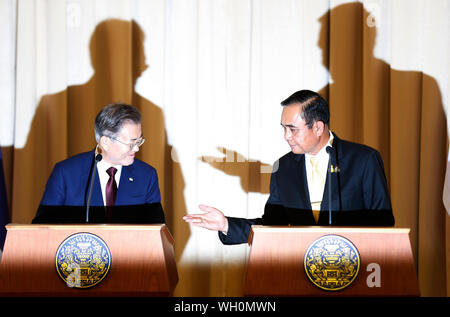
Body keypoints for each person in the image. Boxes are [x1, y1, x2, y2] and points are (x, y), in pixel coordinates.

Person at [183, 90, 394, 244]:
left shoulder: (364, 160)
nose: (286, 137)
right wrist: (226, 225)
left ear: (318, 127)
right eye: (284, 129)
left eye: (292, 129)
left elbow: (383, 223)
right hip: (298, 274)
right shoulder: (284, 167)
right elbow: (272, 226)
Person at [32, 103, 165, 224]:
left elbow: (156, 232)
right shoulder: (66, 173)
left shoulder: (146, 175)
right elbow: (43, 228)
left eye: (139, 142)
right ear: (105, 142)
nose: (136, 148)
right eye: (131, 143)